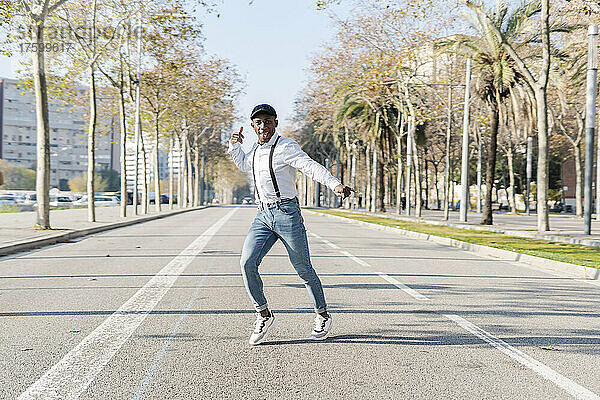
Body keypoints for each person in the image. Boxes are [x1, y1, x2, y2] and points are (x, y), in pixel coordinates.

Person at [228, 103, 353, 345]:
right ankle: (263, 314)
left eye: (267, 121)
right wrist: (235, 146)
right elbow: (245, 165)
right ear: (253, 127)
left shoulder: (286, 147)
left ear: (275, 122)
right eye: (258, 122)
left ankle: (322, 315)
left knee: (303, 269)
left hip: (287, 214)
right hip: (263, 215)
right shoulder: (254, 149)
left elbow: (310, 166)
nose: (263, 125)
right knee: (247, 263)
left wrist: (334, 184)